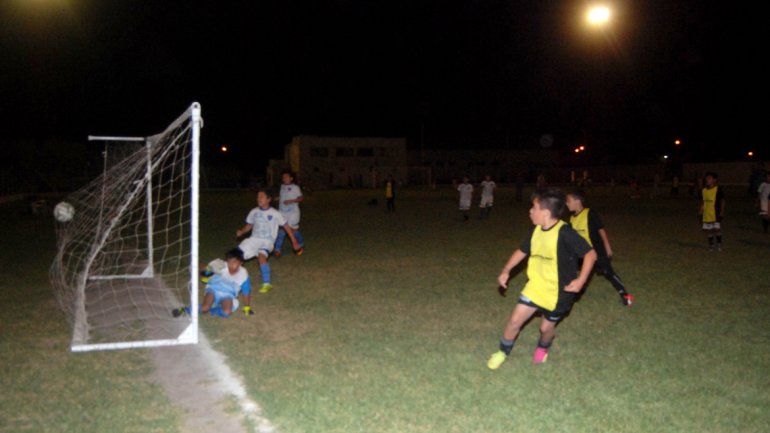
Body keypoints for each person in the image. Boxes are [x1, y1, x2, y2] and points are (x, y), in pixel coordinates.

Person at [487, 188, 596, 369]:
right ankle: (502, 352)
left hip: (559, 292)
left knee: (545, 329)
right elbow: (522, 250)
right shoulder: (535, 230)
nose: (530, 211)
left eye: (534, 208)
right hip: (536, 286)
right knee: (514, 321)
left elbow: (590, 254)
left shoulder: (565, 233)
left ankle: (543, 346)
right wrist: (506, 270)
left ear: (545, 213)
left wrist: (581, 281)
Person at [566, 190, 635, 307]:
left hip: (597, 252)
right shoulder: (572, 218)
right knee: (577, 272)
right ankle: (572, 295)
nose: (566, 203)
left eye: (568, 201)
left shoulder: (590, 213)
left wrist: (607, 246)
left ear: (577, 201)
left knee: (609, 273)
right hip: (582, 254)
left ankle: (626, 296)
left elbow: (601, 230)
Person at [237, 188, 301, 293]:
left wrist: (294, 241)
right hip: (254, 239)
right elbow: (249, 225)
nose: (259, 199)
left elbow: (286, 227)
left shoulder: (275, 213)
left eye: (261, 196)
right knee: (236, 255)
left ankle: (267, 283)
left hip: (267, 241)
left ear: (269, 199)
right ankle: (221, 273)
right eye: (258, 196)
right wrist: (242, 231)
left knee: (261, 256)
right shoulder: (254, 211)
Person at [173, 248, 252, 318]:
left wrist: (247, 308)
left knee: (226, 312)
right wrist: (206, 270)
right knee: (205, 308)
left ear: (241, 263)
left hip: (228, 294)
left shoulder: (243, 274)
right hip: (214, 289)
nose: (231, 265)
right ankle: (185, 309)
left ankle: (213, 310)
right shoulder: (220, 265)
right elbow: (205, 270)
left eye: (234, 262)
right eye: (229, 261)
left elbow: (246, 292)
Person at [273, 171, 305, 257]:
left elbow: (301, 198)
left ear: (291, 178)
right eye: (283, 177)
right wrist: (278, 198)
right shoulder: (282, 186)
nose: (284, 178)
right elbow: (283, 196)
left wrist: (292, 201)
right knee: (282, 230)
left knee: (292, 230)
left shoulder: (295, 187)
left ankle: (301, 242)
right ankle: (277, 249)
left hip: (293, 213)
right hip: (282, 212)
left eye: (286, 177)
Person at [700, 172, 726, 251]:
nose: (707, 180)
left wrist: (722, 211)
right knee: (709, 230)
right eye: (707, 178)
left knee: (717, 228)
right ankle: (711, 245)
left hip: (716, 212)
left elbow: (722, 200)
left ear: (714, 180)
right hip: (707, 213)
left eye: (709, 178)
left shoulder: (718, 189)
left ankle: (719, 244)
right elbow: (703, 201)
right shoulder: (704, 190)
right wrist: (701, 210)